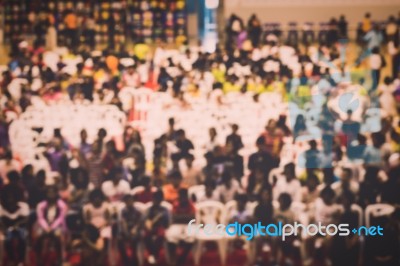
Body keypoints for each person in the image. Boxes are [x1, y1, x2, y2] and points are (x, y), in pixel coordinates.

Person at [36, 186, 68, 265]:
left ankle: (59, 258)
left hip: (58, 226)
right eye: (49, 192)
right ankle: (39, 258)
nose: (51, 194)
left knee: (57, 235)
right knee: (38, 235)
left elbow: (61, 218)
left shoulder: (62, 205)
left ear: (56, 193)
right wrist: (46, 227)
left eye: (53, 192)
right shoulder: (41, 205)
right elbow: (40, 218)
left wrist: (52, 228)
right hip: (44, 226)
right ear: (46, 194)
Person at [0, 186, 29, 265]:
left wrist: (16, 226)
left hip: (20, 228)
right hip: (6, 228)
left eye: (12, 196)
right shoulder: (1, 207)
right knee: (7, 240)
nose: (10, 198)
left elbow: (25, 219)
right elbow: (1, 222)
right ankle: (11, 259)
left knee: (22, 239)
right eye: (8, 196)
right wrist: (5, 229)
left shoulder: (23, 206)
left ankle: (21, 260)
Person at [166, 188, 195, 266]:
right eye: (181, 196)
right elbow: (174, 218)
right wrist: (186, 216)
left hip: (188, 225)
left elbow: (192, 218)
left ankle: (181, 260)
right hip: (176, 225)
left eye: (184, 196)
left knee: (191, 239)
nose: (182, 198)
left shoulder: (190, 204)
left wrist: (181, 216)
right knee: (171, 237)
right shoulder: (176, 204)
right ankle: (173, 260)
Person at [143, 190, 170, 265]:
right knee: (146, 235)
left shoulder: (164, 210)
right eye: (155, 198)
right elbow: (146, 220)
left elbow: (167, 223)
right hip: (150, 227)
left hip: (160, 227)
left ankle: (154, 255)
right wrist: (149, 226)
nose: (156, 201)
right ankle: (152, 254)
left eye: (158, 199)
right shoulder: (149, 209)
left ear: (161, 200)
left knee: (160, 236)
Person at [118, 194, 142, 266]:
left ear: (133, 201)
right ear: (125, 202)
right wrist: (126, 232)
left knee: (134, 240)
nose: (129, 202)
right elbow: (123, 222)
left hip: (135, 230)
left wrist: (134, 229)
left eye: (130, 200)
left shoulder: (137, 211)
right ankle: (126, 261)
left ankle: (135, 262)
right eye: (127, 201)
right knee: (119, 240)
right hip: (126, 230)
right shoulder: (123, 211)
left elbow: (139, 223)